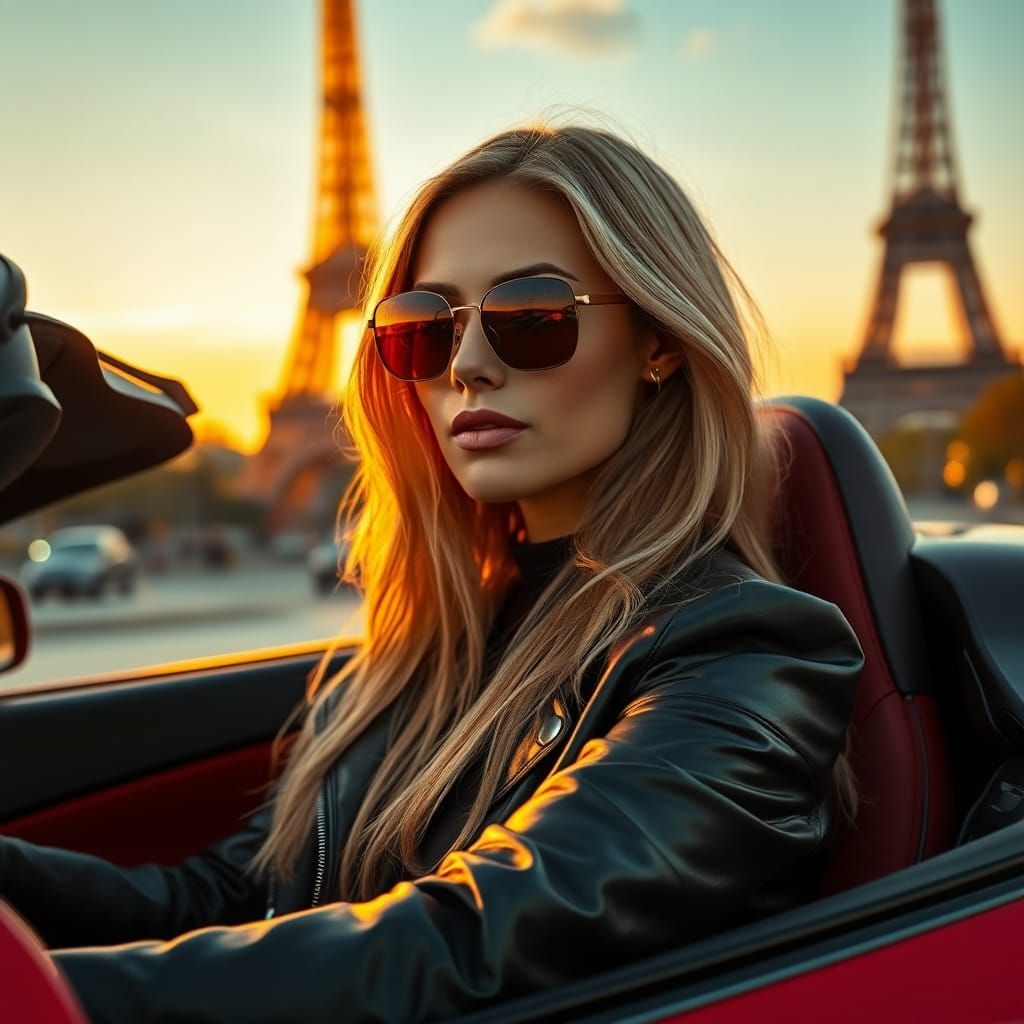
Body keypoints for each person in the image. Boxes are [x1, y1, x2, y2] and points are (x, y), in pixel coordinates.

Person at [0, 120, 865, 1023]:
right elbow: (226, 899)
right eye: (422, 329)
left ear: (660, 341)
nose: (467, 365)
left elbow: (461, 944)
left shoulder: (748, 656)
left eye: (533, 318)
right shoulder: (421, 650)